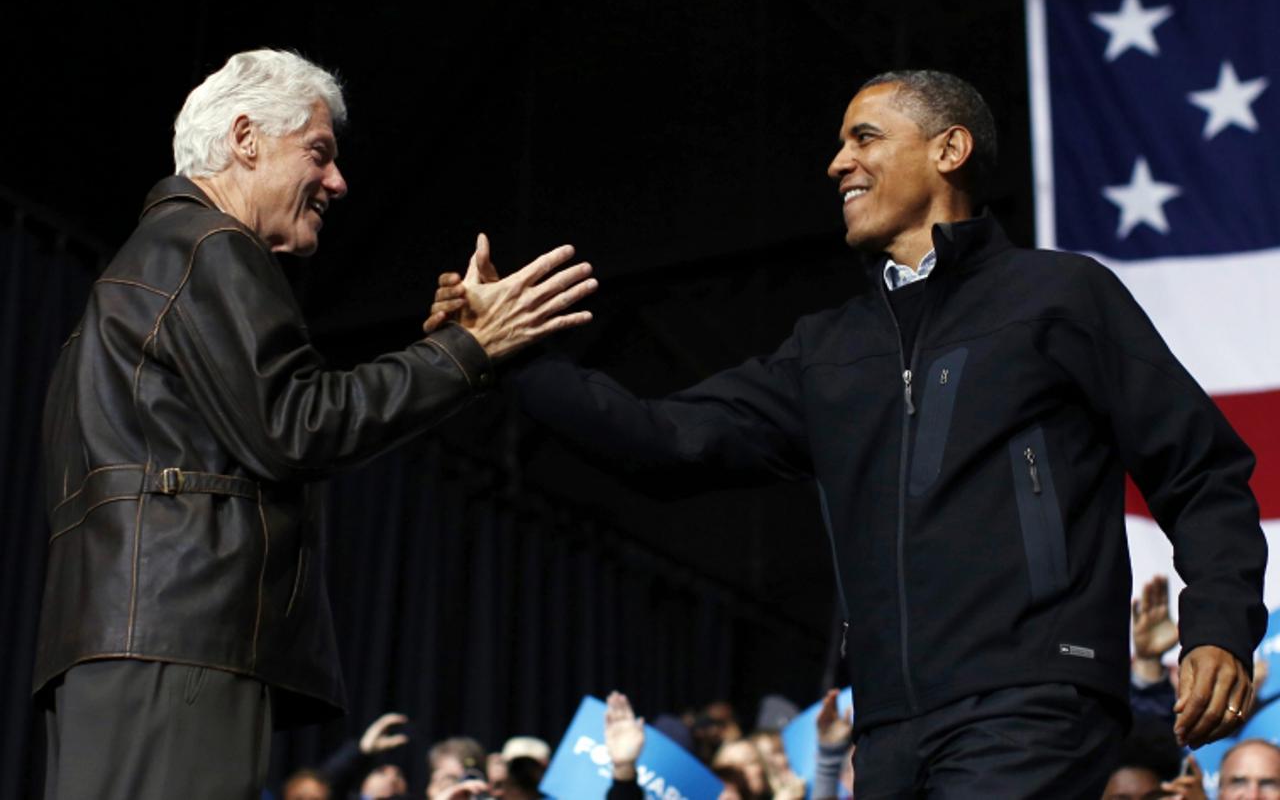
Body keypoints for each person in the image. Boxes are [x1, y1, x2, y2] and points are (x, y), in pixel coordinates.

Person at [431, 70, 1267, 795]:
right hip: (890, 730)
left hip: (1033, 696)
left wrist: (1220, 623)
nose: (837, 162)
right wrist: (504, 358)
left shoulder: (1061, 296)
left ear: (949, 149)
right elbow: (664, 438)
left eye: (864, 136)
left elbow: (1201, 467)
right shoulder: (828, 348)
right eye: (838, 144)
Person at [33, 48, 596, 800]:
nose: (337, 182)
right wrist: (468, 352)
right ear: (245, 139)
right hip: (179, 645)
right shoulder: (208, 245)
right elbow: (299, 425)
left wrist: (442, 351)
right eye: (319, 152)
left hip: (119, 648)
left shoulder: (146, 268)